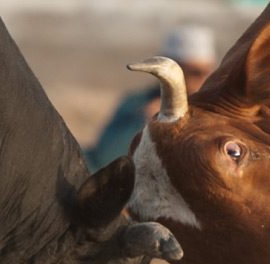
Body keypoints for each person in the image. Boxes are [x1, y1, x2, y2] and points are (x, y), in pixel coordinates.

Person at [85, 25, 216, 171]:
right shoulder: (136, 103)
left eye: (208, 71)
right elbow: (105, 158)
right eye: (196, 72)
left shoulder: (215, 111)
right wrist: (144, 121)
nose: (204, 78)